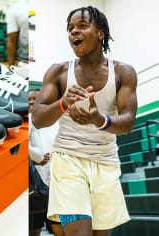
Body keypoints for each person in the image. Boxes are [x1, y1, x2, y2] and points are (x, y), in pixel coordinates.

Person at [32, 6, 137, 236]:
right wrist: (62, 103)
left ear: (100, 33)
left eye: (82, 26)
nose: (74, 33)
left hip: (106, 161)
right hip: (68, 159)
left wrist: (100, 120)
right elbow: (38, 119)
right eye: (70, 29)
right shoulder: (58, 72)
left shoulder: (123, 72)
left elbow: (128, 122)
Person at [29, 89, 63, 236]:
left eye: (35, 98)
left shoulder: (58, 122)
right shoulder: (24, 124)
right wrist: (34, 162)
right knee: (33, 227)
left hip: (56, 183)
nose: (31, 101)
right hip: (33, 186)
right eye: (28, 99)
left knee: (57, 224)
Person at [6, 0, 29, 67]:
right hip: (25, 60)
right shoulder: (15, 8)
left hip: (52, 56)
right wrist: (11, 67)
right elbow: (11, 39)